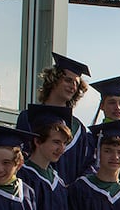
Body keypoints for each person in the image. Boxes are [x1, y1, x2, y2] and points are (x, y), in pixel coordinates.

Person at [16, 53, 95, 183]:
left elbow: (84, 166)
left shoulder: (78, 128)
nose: (73, 86)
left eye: (76, 83)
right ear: (53, 80)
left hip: (65, 196)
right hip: (31, 188)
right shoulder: (28, 117)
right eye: (68, 80)